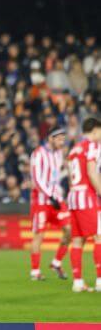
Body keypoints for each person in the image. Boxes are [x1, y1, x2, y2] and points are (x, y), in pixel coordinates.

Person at [28, 128, 70, 281]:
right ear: (50, 138)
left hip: (56, 199)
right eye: (59, 139)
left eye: (63, 139)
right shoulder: (38, 153)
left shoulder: (58, 154)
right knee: (39, 235)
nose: (62, 142)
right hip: (41, 201)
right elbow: (37, 179)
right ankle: (35, 271)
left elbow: (56, 178)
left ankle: (56, 263)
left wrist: (58, 195)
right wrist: (50, 196)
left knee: (70, 230)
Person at [65, 117, 101, 293]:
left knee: (78, 240)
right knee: (98, 237)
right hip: (86, 196)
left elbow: (71, 177)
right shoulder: (91, 146)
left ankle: (77, 282)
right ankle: (100, 280)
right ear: (95, 129)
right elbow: (91, 171)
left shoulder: (74, 149)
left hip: (73, 197)